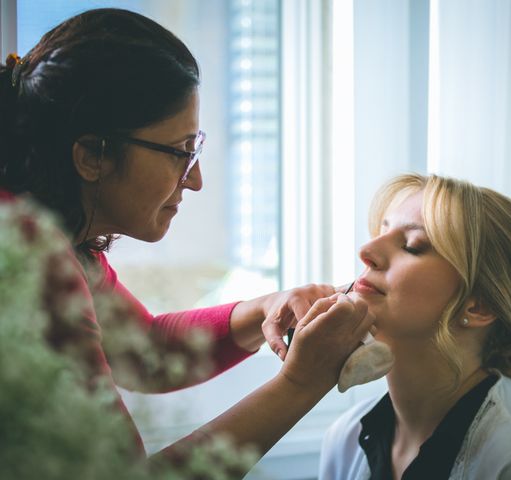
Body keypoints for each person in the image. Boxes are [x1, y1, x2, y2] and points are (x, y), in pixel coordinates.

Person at [0, 7, 373, 473]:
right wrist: (302, 381)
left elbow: (144, 349)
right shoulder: (26, 259)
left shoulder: (46, 229)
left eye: (195, 149)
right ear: (91, 155)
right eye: (180, 152)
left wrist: (264, 308)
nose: (195, 180)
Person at [319, 174, 511, 479]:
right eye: (381, 231)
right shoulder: (344, 439)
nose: (366, 251)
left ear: (479, 306)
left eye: (412, 245)